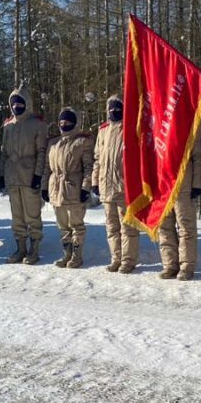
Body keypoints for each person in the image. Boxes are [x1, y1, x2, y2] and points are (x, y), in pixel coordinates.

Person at [0, 86, 47, 265]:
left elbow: (41, 152)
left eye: (20, 102)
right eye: (13, 103)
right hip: (13, 176)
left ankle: (34, 249)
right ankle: (21, 248)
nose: (16, 106)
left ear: (27, 103)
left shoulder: (37, 124)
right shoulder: (8, 126)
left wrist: (37, 175)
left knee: (32, 214)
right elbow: (4, 152)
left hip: (29, 175)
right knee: (17, 216)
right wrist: (2, 174)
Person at [92, 96, 140, 274]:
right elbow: (97, 159)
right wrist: (95, 181)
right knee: (112, 227)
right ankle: (116, 258)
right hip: (106, 186)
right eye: (111, 109)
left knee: (127, 227)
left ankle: (128, 260)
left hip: (123, 186)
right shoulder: (103, 131)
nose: (114, 112)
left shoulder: (130, 128)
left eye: (117, 108)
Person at [42, 107, 94, 268]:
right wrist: (44, 187)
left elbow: (88, 167)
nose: (64, 125)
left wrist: (86, 188)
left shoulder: (82, 141)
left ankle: (77, 256)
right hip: (56, 189)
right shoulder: (53, 143)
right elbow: (46, 168)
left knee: (76, 224)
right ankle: (67, 253)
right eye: (61, 122)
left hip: (73, 188)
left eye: (68, 122)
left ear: (74, 123)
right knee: (62, 225)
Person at [158, 129, 201, 280]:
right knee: (164, 227)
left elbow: (198, 156)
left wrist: (197, 183)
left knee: (186, 227)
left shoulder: (188, 122)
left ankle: (186, 266)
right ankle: (170, 264)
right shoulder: (158, 123)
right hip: (162, 185)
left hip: (183, 184)